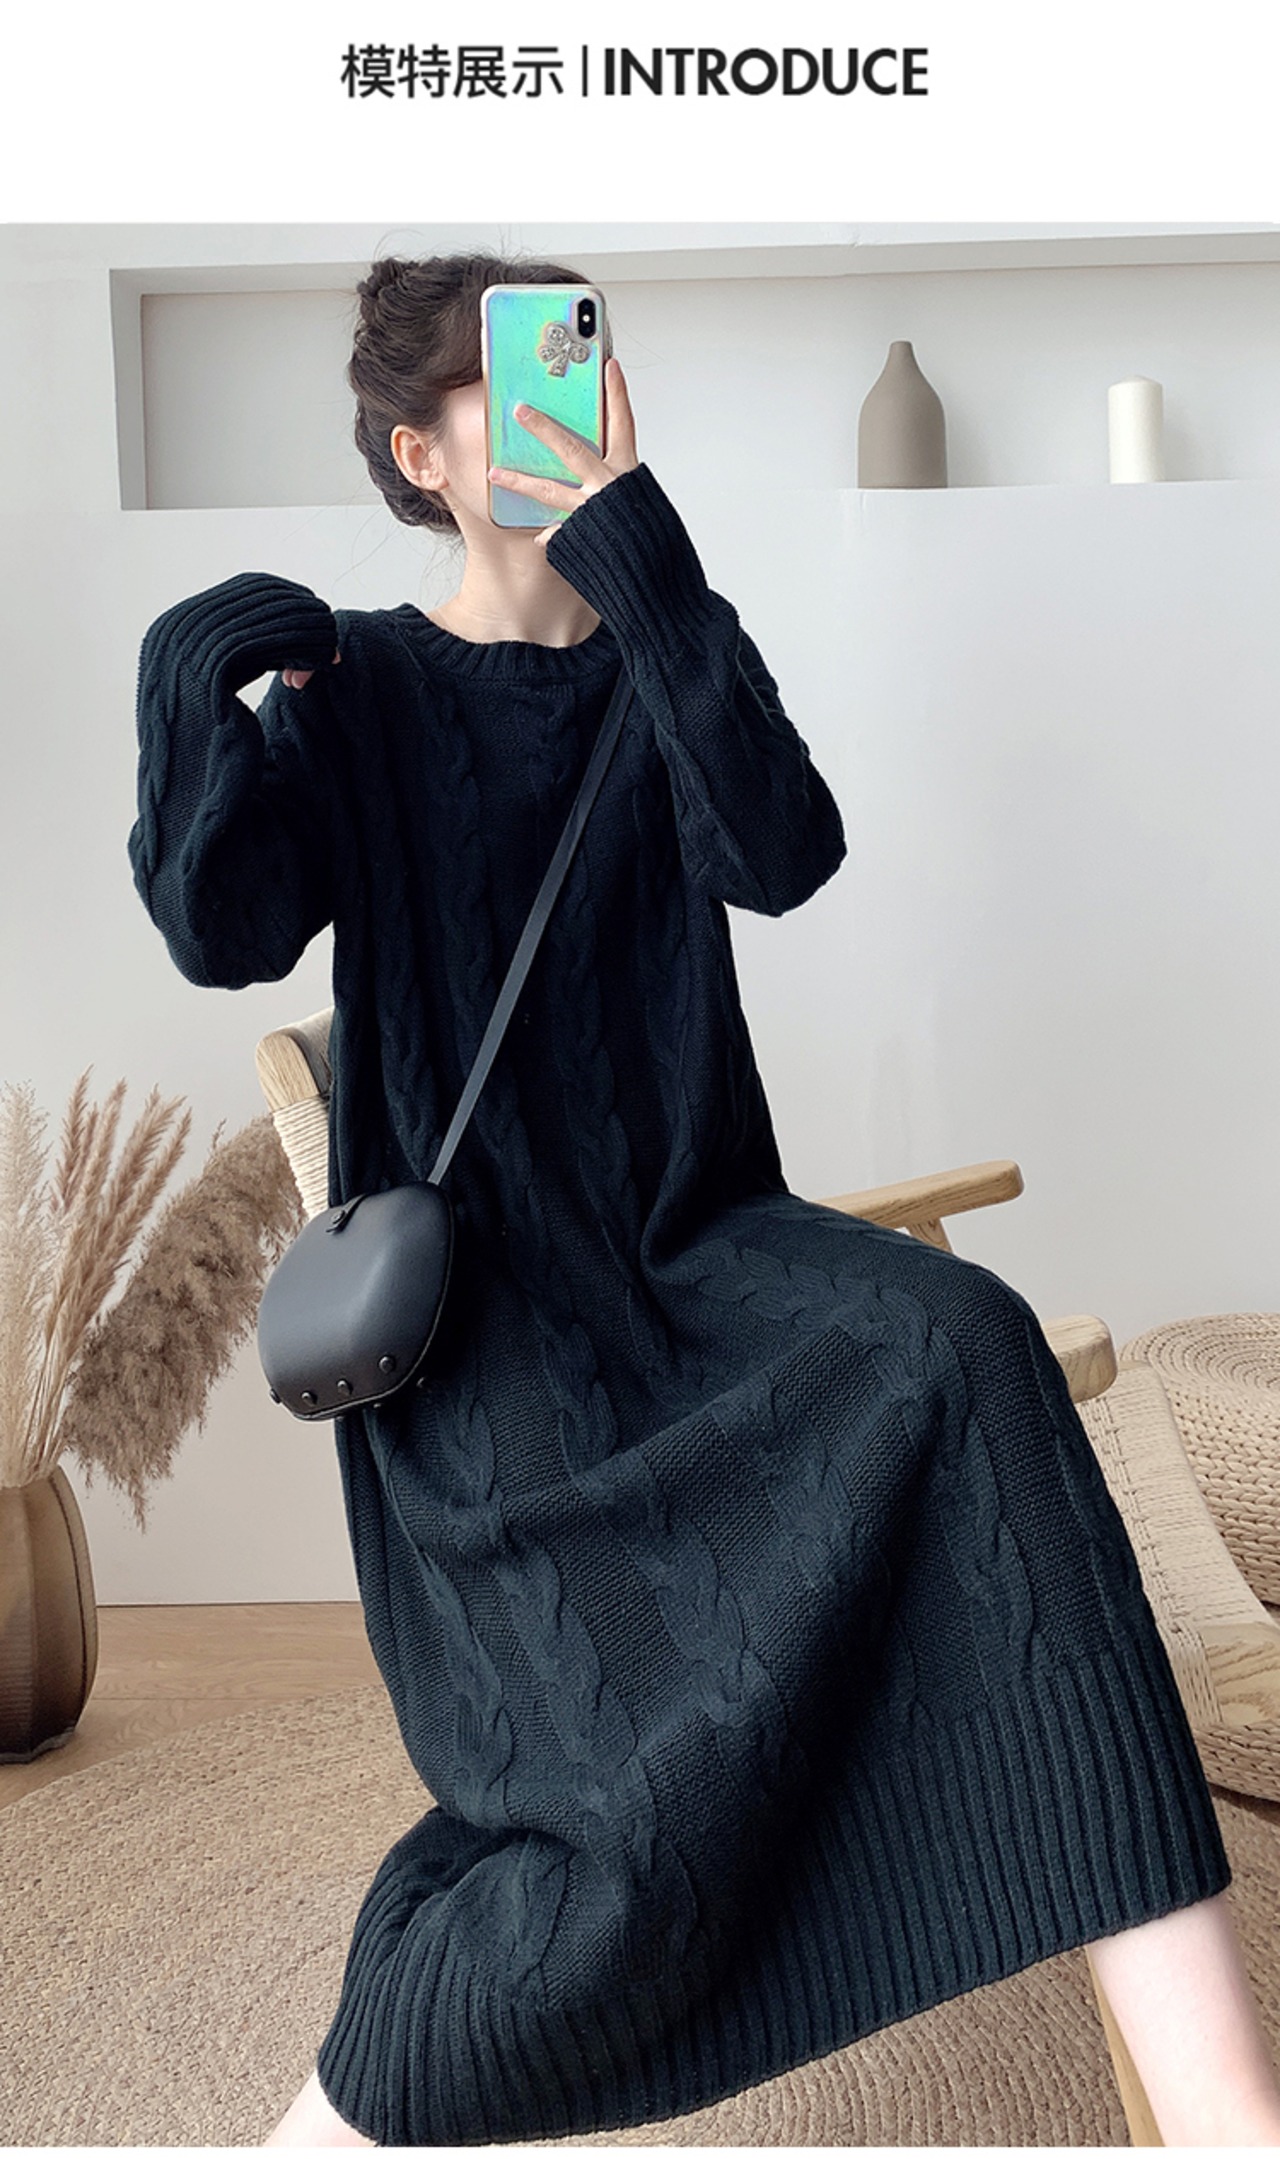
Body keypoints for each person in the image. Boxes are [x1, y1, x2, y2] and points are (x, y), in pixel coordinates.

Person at [127, 252, 1280, 2150]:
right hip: (495, 1325)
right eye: (518, 379)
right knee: (609, 1817)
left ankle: (1226, 2111)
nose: (574, 398)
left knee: (966, 1343)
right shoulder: (364, 687)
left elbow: (783, 849)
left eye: (589, 360)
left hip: (703, 1246)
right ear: (421, 456)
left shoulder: (666, 639)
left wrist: (639, 550)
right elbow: (223, 929)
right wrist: (197, 676)